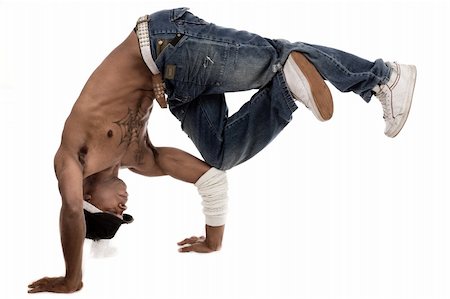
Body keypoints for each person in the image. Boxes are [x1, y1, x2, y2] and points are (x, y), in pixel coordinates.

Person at [28, 7, 416, 293]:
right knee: (222, 152)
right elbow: (210, 179)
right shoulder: (139, 159)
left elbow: (72, 211)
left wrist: (72, 278)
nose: (124, 206)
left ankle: (384, 76)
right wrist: (213, 240)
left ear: (88, 194)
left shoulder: (72, 155)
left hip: (164, 42)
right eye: (122, 213)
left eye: (112, 211)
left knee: (278, 56)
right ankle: (289, 86)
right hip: (178, 79)